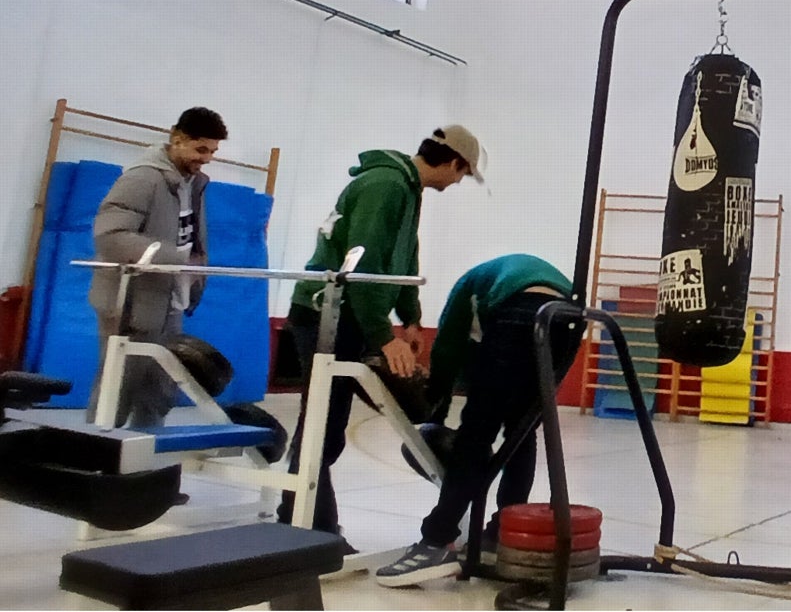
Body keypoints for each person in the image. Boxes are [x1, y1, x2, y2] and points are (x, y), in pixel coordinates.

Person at [275, 126, 485, 551]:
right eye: (463, 174)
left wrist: (410, 319)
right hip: (326, 314)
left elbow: (405, 259)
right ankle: (304, 527)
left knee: (326, 424)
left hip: (349, 313)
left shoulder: (406, 188)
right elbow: (362, 263)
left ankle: (299, 519)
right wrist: (381, 335)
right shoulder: (385, 185)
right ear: (454, 162)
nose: (459, 182)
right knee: (323, 424)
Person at [375, 253, 581, 587]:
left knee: (476, 434)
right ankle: (505, 532)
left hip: (520, 307)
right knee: (521, 430)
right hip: (568, 316)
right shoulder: (493, 286)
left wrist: (435, 413)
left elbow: (445, 353)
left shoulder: (466, 289)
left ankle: (436, 541)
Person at [86, 107, 228, 428]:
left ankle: (144, 459)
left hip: (169, 302)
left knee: (160, 388)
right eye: (201, 149)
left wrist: (193, 277)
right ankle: (94, 457)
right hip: (131, 305)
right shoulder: (142, 177)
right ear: (177, 140)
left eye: (213, 151)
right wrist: (176, 259)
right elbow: (110, 236)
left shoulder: (193, 183)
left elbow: (191, 239)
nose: (207, 158)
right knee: (117, 388)